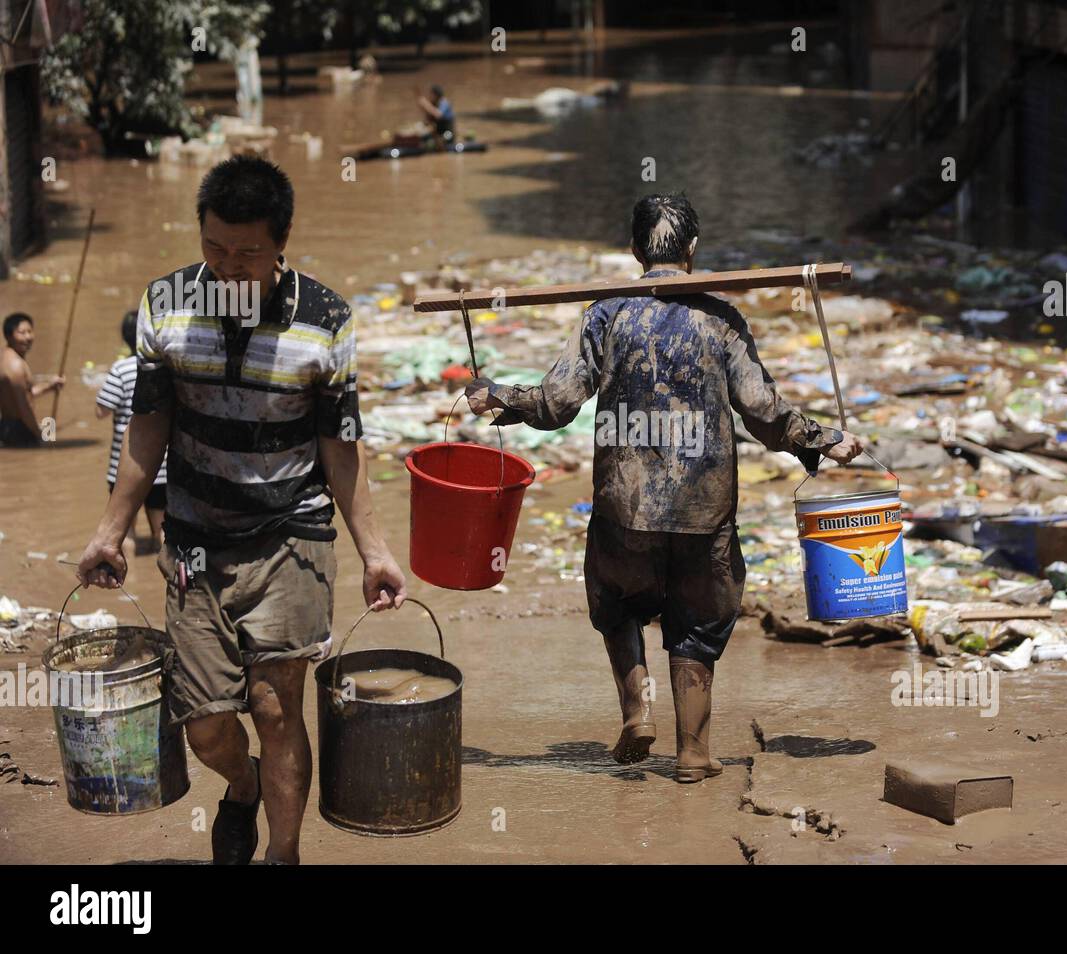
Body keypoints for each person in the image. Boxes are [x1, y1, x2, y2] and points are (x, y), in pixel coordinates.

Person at [465, 193, 870, 783]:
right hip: (703, 513)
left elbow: (557, 403)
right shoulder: (720, 319)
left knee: (616, 601)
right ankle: (693, 753)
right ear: (693, 251)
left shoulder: (605, 315)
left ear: (634, 251)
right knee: (699, 624)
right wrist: (823, 438)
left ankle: (637, 712)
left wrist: (499, 393)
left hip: (623, 509)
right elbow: (762, 411)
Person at [76, 155, 407, 864]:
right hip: (195, 537)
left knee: (277, 706)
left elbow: (341, 446)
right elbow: (148, 428)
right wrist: (110, 530)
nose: (228, 266)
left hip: (293, 535)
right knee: (205, 723)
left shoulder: (326, 320)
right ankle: (244, 785)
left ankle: (282, 856)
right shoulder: (166, 306)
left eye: (247, 253)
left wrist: (376, 551)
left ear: (281, 243)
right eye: (214, 247)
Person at [96, 310, 167, 554]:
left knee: (125, 532)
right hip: (162, 466)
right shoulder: (163, 367)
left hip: (123, 465)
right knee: (163, 530)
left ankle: (127, 586)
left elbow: (101, 411)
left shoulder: (120, 369)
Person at [0, 312, 64, 446]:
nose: (28, 337)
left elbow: (23, 394)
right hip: (18, 430)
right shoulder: (15, 365)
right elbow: (24, 408)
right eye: (21, 333)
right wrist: (39, 435)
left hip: (10, 426)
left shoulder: (8, 357)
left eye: (30, 331)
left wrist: (49, 386)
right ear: (8, 336)